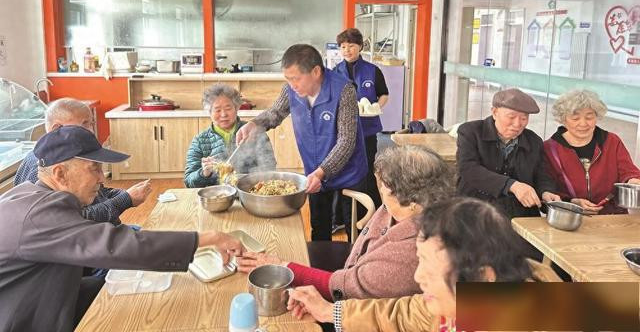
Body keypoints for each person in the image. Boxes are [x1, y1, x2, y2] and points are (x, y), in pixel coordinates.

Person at [0, 125, 243, 332]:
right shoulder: (38, 216)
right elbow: (114, 245)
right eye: (94, 168)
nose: (102, 178)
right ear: (60, 174)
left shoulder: (32, 195)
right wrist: (210, 237)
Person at [286, 197, 560, 332]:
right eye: (420, 260)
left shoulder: (549, 313)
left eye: (430, 266)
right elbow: (402, 313)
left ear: (482, 276)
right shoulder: (465, 298)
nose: (418, 277)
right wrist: (329, 312)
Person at [236, 145, 455, 301]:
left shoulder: (413, 251)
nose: (380, 190)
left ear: (412, 200)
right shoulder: (404, 208)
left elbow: (346, 289)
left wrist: (283, 266)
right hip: (354, 284)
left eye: (384, 187)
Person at [236, 44, 367, 242]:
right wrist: (254, 124)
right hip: (315, 172)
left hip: (349, 173)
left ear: (316, 72)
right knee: (319, 228)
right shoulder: (291, 90)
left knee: (354, 233)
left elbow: (346, 141)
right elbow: (275, 113)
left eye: (296, 78)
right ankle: (320, 262)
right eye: (288, 79)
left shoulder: (343, 90)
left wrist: (322, 172)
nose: (292, 85)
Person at [14, 98, 151, 225]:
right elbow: (74, 219)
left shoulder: (73, 158)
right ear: (56, 129)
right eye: (84, 125)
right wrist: (125, 200)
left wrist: (126, 194)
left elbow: (100, 194)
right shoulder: (43, 168)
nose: (91, 131)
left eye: (91, 124)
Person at [457, 88, 560, 219]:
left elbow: (541, 175)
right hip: (475, 209)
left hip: (518, 215)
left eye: (524, 118)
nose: (517, 124)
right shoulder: (471, 131)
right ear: (495, 112)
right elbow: (468, 169)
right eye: (511, 117)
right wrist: (511, 185)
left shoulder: (534, 141)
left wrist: (546, 192)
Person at [544, 89, 640, 214]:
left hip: (612, 216)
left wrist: (633, 181)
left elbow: (628, 172)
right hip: (571, 217)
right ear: (563, 119)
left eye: (589, 117)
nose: (583, 123)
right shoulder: (550, 149)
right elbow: (547, 189)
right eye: (575, 118)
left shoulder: (612, 141)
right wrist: (572, 202)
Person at [334, 27, 389, 209]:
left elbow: (384, 94)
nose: (347, 50)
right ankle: (346, 211)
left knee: (367, 166)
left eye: (351, 46)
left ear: (360, 47)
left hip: (368, 129)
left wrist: (376, 107)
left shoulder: (373, 70)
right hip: (344, 131)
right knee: (345, 167)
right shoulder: (335, 72)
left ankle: (371, 209)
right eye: (343, 47)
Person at [184, 84, 276, 187]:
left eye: (228, 108)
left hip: (249, 191)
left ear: (236, 108)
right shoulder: (200, 141)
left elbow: (269, 167)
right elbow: (189, 181)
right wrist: (204, 173)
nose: (223, 114)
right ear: (209, 112)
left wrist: (248, 181)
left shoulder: (252, 132)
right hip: (216, 194)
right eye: (217, 110)